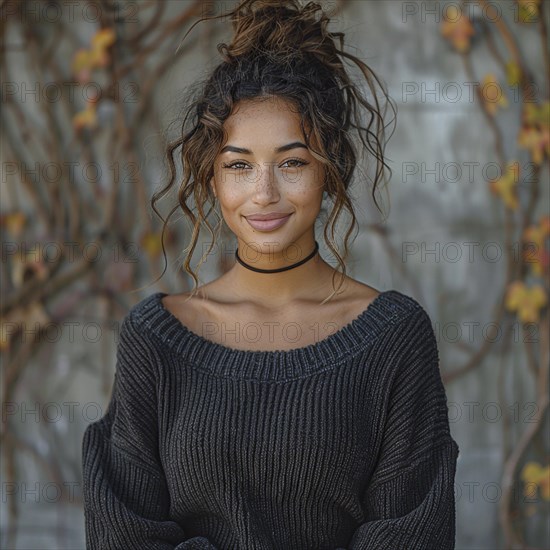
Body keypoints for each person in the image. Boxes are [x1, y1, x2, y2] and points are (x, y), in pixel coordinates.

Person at [81, 1, 460, 548]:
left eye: (292, 162)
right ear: (212, 180)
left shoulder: (394, 338)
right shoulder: (154, 339)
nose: (264, 193)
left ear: (330, 174)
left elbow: (413, 534)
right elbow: (123, 534)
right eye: (239, 165)